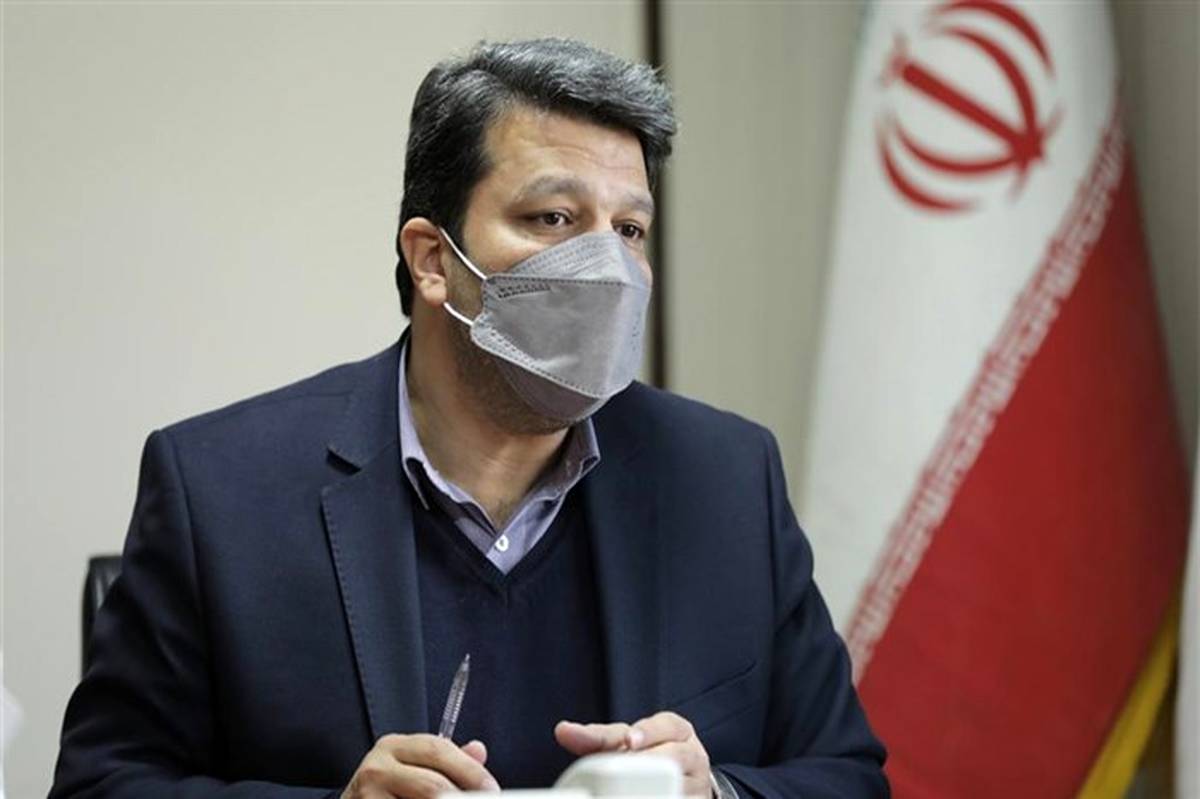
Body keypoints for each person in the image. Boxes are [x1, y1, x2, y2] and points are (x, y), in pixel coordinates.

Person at [51, 38, 887, 799]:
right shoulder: (221, 489)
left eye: (630, 229)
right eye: (553, 218)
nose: (607, 267)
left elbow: (847, 776)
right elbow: (99, 785)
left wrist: (717, 794)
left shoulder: (727, 477)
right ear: (432, 260)